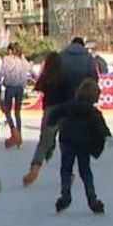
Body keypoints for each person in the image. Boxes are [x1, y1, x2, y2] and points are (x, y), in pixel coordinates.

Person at [49, 80, 111, 214]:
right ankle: (92, 200)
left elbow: (56, 112)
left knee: (66, 168)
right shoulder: (93, 111)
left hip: (67, 139)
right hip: (83, 143)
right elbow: (100, 125)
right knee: (85, 171)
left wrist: (51, 122)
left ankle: (65, 196)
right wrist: (107, 135)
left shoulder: (69, 105)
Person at [22, 52, 67, 187]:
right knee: (66, 145)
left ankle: (34, 169)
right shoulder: (65, 76)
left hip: (49, 111)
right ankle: (67, 172)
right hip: (64, 111)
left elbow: (38, 87)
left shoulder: (46, 76)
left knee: (44, 143)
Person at [0, 45, 29, 148]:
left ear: (11, 51)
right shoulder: (23, 60)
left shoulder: (7, 59)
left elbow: (2, 72)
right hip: (20, 88)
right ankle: (19, 134)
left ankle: (13, 129)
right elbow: (27, 71)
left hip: (10, 86)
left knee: (7, 110)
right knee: (17, 112)